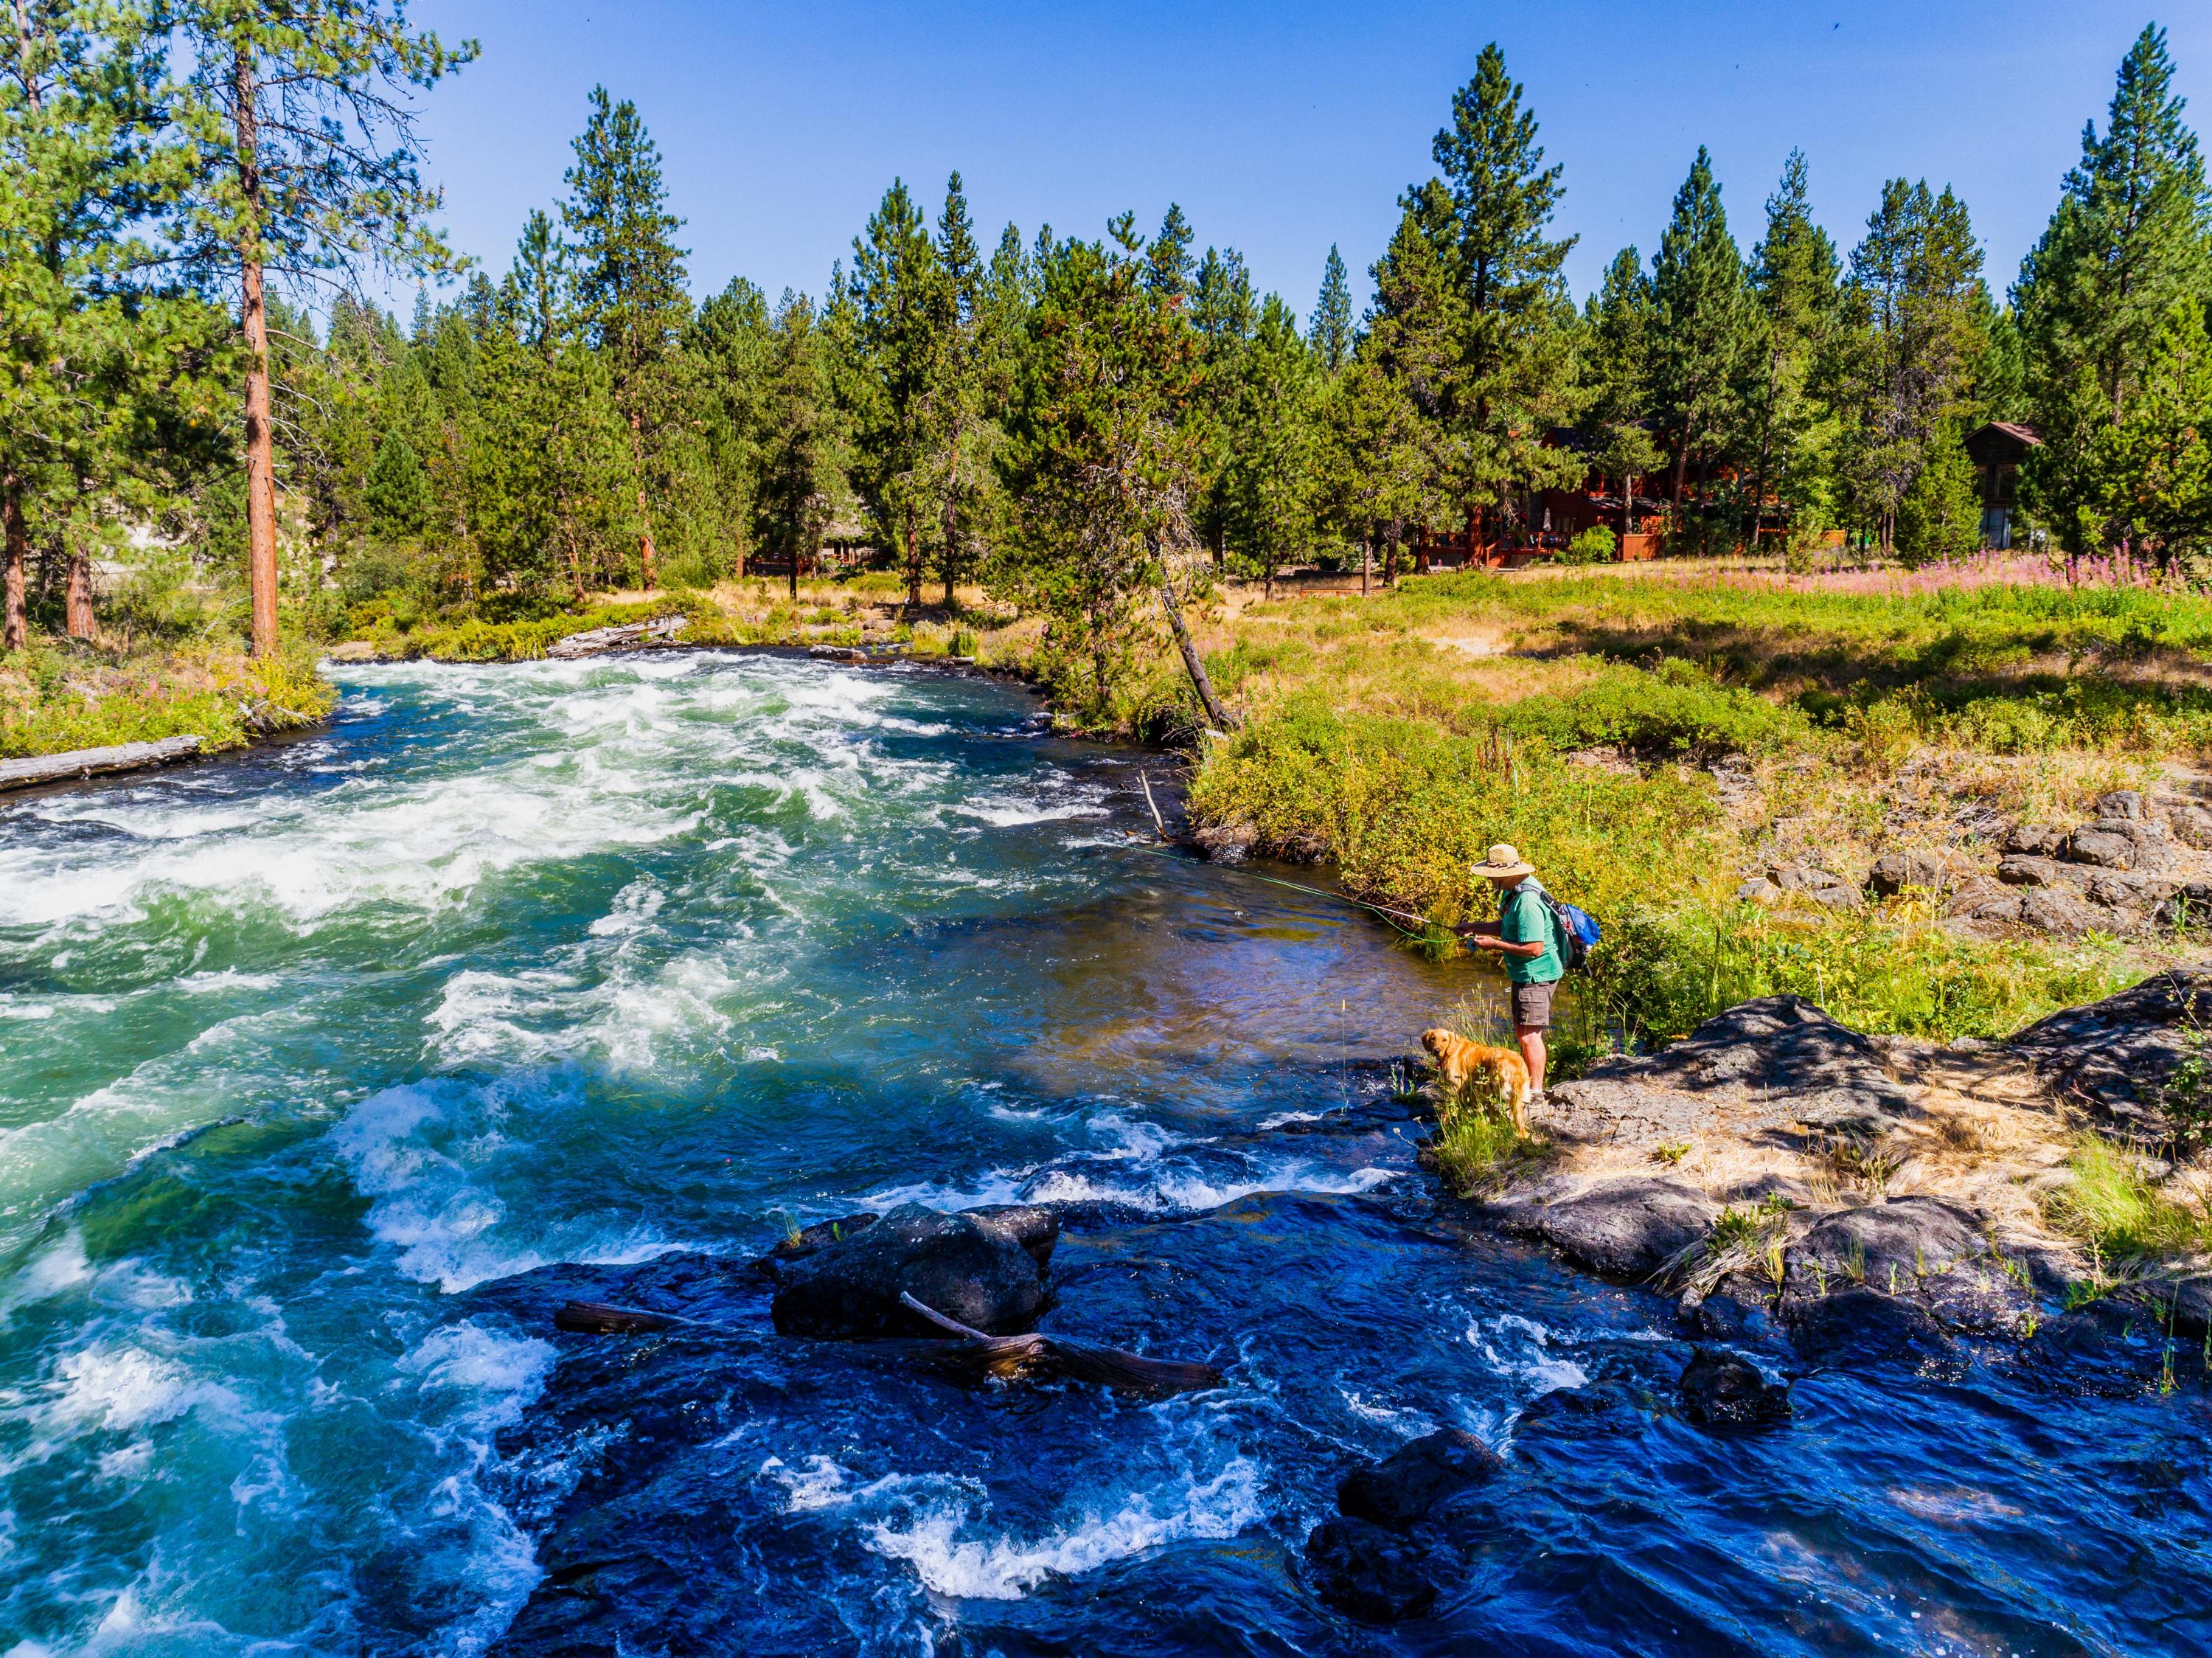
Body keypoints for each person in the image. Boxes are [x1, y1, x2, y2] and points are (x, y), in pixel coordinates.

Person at [1456, 843, 1562, 1097]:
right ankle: (1524, 1086)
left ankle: (1535, 1094)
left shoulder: (1527, 901)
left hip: (1536, 975)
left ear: (1508, 872)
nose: (1491, 881)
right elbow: (1508, 926)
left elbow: (1535, 947)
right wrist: (1475, 926)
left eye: (1493, 876)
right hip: (1525, 974)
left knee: (1529, 1037)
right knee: (1523, 1031)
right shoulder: (1513, 891)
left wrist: (1493, 945)